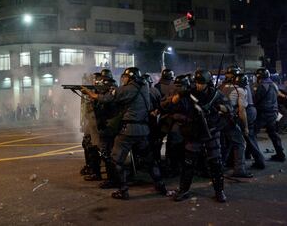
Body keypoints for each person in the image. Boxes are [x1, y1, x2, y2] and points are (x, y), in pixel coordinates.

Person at [82, 67, 168, 200]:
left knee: (116, 159)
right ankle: (160, 185)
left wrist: (90, 93)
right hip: (143, 130)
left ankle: (123, 190)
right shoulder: (145, 87)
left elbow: (106, 98)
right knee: (149, 160)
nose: (124, 79)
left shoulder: (127, 89)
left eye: (125, 77)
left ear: (131, 77)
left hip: (128, 131)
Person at [171, 69, 229, 203]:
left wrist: (217, 108)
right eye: (196, 82)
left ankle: (219, 191)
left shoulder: (215, 94)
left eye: (201, 83)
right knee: (188, 162)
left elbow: (229, 108)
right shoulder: (190, 92)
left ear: (207, 83)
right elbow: (173, 102)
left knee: (216, 162)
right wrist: (181, 94)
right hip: (194, 132)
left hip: (211, 131)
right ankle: (184, 190)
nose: (198, 85)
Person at [253, 68, 286, 162]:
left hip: (263, 113)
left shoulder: (262, 86)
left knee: (252, 134)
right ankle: (281, 155)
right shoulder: (273, 84)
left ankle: (256, 158)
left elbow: (256, 100)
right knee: (274, 135)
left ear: (259, 76)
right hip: (273, 113)